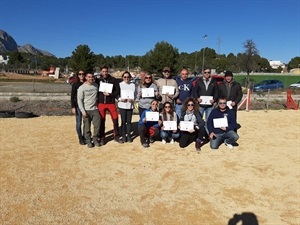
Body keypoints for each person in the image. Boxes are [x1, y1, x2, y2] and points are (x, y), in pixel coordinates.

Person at [96, 66, 122, 145]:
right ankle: (102, 137)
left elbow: (117, 91)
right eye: (103, 71)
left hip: (111, 103)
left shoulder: (113, 80)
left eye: (106, 71)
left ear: (108, 71)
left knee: (115, 119)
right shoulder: (98, 80)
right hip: (101, 103)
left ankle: (116, 136)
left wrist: (110, 95)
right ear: (101, 72)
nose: (104, 73)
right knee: (102, 120)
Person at [77, 73, 101, 148]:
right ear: (86, 78)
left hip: (95, 109)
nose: (91, 78)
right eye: (89, 77)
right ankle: (88, 141)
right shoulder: (82, 88)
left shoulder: (96, 86)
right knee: (87, 127)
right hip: (86, 109)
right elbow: (79, 100)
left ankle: (95, 139)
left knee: (97, 125)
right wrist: (83, 111)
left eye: (92, 77)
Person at [118, 71, 136, 143]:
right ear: (122, 77)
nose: (126, 78)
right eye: (125, 77)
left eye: (128, 77)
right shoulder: (120, 84)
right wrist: (120, 99)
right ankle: (123, 135)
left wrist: (132, 99)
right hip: (122, 105)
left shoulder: (133, 85)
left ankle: (128, 136)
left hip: (130, 105)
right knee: (123, 121)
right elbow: (117, 95)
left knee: (129, 122)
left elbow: (135, 95)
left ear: (130, 78)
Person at [71, 70, 86, 145]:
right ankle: (80, 137)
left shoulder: (87, 83)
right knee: (79, 122)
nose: (81, 75)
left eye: (83, 74)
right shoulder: (75, 84)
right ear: (77, 75)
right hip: (77, 106)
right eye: (80, 74)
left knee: (86, 122)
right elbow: (72, 96)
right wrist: (73, 106)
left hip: (86, 106)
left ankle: (85, 136)